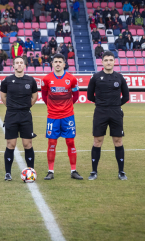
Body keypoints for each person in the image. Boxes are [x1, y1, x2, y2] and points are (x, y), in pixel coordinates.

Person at [87, 51, 130, 180]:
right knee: (97, 141)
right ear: (102, 62)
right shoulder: (95, 77)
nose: (108, 62)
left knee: (118, 141)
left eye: (111, 60)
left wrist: (116, 105)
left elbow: (126, 96)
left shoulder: (119, 77)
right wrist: (101, 104)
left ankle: (121, 172)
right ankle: (94, 171)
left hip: (116, 112)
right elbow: (89, 96)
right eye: (106, 60)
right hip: (100, 112)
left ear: (114, 62)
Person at [41, 54, 82, 180]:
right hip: (52, 116)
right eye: (55, 62)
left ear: (64, 64)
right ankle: (50, 171)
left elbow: (75, 96)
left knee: (70, 142)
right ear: (52, 64)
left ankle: (74, 170)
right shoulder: (46, 79)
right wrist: (52, 107)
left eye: (60, 62)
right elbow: (44, 96)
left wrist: (67, 107)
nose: (58, 64)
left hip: (68, 116)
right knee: (52, 143)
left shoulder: (72, 79)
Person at [0, 57, 38, 181]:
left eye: (21, 63)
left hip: (25, 115)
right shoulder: (7, 81)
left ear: (24, 65)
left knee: (27, 144)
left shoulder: (31, 80)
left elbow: (34, 97)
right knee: (11, 144)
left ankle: (31, 170)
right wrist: (12, 108)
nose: (19, 64)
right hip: (11, 115)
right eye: (17, 63)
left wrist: (25, 107)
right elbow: (3, 96)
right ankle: (8, 173)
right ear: (13, 66)